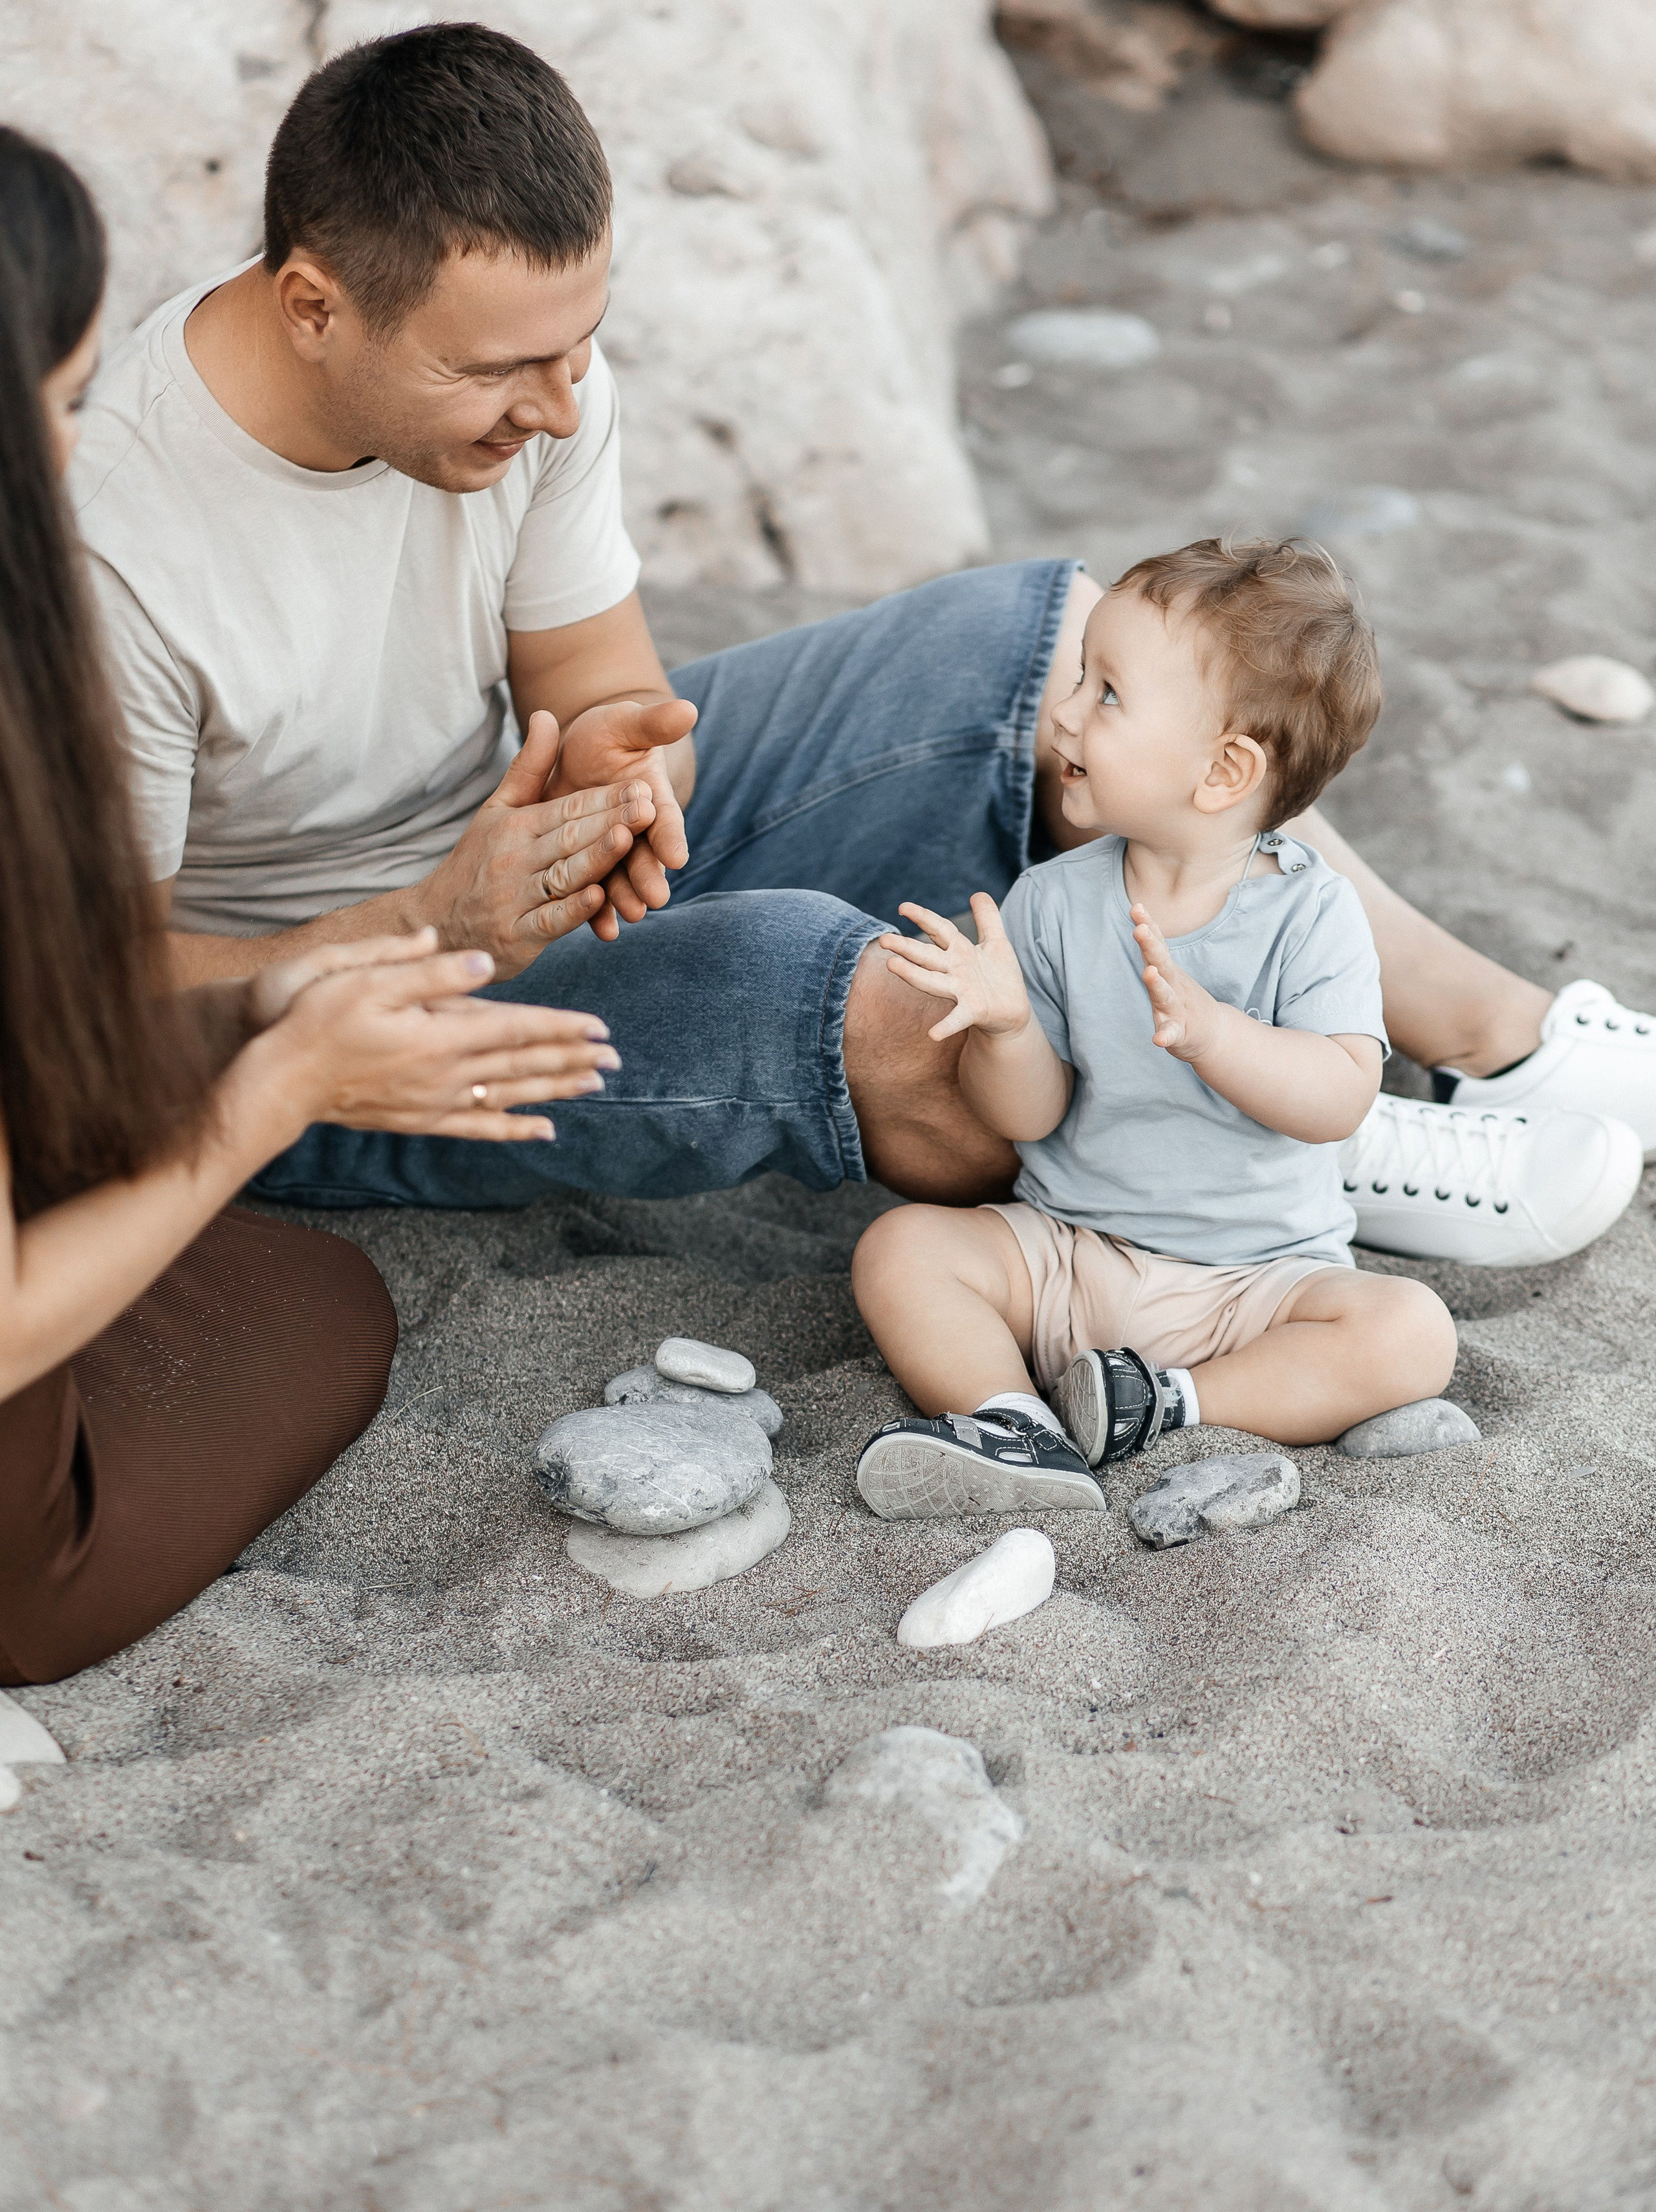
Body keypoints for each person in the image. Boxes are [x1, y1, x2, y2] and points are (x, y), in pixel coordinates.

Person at [71, 23, 1656, 1264]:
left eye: (581, 351)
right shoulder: (114, 560)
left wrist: (627, 768)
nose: (558, 408)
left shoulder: (531, 374)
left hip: (503, 864)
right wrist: (434, 914)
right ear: (311, 305)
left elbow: (599, 688)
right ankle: (1289, 1133)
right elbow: (95, 1010)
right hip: (305, 1030)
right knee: (884, 1009)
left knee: (1047, 648)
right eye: (504, 374)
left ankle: (1494, 1037)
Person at [0, 131, 624, 1686]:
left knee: (1007, 647)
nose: (76, 456)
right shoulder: (117, 565)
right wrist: (282, 1085)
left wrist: (296, 994)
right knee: (321, 1305)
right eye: (59, 408)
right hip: (25, 1526)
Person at [851, 540, 1484, 1517]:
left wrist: (1216, 1037)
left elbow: (1338, 1097)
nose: (1063, 712)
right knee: (901, 1252)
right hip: (1072, 1251)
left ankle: (1166, 1405)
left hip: (1254, 1284)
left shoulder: (1313, 915)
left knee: (1411, 1334)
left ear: (1225, 771)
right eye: (1079, 676)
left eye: (1106, 694)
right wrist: (1007, 1027)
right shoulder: (1054, 900)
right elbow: (1030, 1114)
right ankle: (1018, 1423)